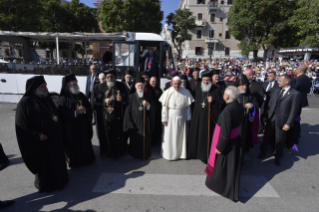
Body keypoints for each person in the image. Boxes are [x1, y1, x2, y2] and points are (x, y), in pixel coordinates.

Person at [15, 76, 68, 192]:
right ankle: (48, 185)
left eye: (45, 86)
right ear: (34, 89)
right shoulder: (25, 103)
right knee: (46, 165)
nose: (45, 88)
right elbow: (22, 127)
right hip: (42, 142)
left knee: (58, 161)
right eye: (42, 86)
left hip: (54, 139)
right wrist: (37, 135)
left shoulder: (46, 98)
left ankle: (61, 180)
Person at [205, 86, 244, 202]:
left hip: (226, 142)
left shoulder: (227, 111)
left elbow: (225, 132)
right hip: (235, 140)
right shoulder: (239, 106)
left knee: (224, 167)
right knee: (231, 167)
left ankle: (222, 188)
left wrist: (219, 147)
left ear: (227, 96)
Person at [258, 75, 301, 166]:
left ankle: (277, 155)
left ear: (286, 82)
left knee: (280, 139)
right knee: (266, 136)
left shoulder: (295, 94)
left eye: (280, 81)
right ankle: (263, 152)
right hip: (271, 118)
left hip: (283, 120)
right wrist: (266, 116)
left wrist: (288, 123)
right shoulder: (276, 90)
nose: (278, 82)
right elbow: (270, 104)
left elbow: (293, 111)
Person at [58, 74, 95, 168]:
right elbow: (61, 113)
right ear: (68, 86)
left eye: (76, 83)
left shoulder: (81, 95)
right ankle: (76, 162)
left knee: (85, 142)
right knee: (74, 145)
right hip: (72, 127)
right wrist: (75, 113)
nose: (76, 85)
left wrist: (85, 109)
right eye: (73, 84)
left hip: (83, 125)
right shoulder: (63, 98)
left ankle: (87, 159)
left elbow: (89, 106)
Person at [91, 69, 128, 158]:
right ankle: (106, 152)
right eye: (108, 77)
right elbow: (95, 103)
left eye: (111, 77)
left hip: (118, 118)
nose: (110, 78)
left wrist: (121, 99)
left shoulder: (121, 86)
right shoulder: (101, 87)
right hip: (105, 119)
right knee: (106, 135)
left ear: (115, 77)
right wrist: (105, 101)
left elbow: (128, 99)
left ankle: (118, 152)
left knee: (117, 135)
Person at [159, 76, 194, 160]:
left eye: (178, 84)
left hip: (182, 118)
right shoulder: (168, 92)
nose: (176, 86)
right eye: (175, 84)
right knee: (170, 136)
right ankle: (170, 154)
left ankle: (180, 154)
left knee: (181, 137)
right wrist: (164, 119)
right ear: (172, 83)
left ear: (181, 83)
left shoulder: (186, 92)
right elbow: (164, 107)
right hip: (170, 118)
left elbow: (188, 107)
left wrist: (189, 118)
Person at [187, 70, 218, 163]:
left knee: (205, 136)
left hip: (207, 118)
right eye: (204, 80)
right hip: (197, 117)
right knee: (196, 134)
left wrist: (213, 101)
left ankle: (205, 155)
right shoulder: (197, 89)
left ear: (211, 80)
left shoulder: (216, 90)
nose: (206, 82)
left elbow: (220, 104)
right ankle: (194, 153)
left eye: (208, 80)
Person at [123, 76, 152, 159]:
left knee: (145, 139)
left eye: (141, 85)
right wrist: (129, 123)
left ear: (144, 86)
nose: (140, 87)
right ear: (135, 86)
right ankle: (135, 154)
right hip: (134, 123)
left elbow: (152, 109)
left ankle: (145, 154)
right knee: (135, 139)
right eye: (138, 85)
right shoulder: (131, 97)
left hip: (145, 122)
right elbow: (127, 112)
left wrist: (148, 105)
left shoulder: (148, 95)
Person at [234, 74, 256, 153]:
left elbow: (255, 105)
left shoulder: (250, 95)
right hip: (235, 121)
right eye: (241, 85)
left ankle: (243, 151)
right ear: (237, 85)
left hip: (246, 121)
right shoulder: (233, 95)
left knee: (244, 136)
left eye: (245, 85)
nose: (244, 87)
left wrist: (252, 105)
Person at [244, 69, 265, 145]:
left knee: (252, 126)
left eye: (245, 75)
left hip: (253, 109)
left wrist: (254, 104)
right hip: (243, 109)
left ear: (251, 76)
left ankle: (251, 140)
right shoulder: (242, 84)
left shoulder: (257, 85)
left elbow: (262, 97)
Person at [149, 76, 163, 145]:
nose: (154, 83)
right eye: (153, 81)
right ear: (150, 82)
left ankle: (156, 141)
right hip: (150, 111)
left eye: (155, 82)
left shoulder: (159, 90)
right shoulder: (147, 89)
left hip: (158, 111)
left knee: (157, 126)